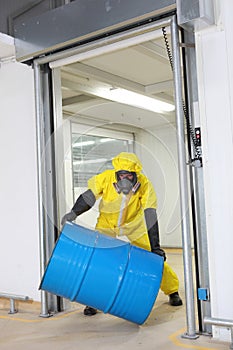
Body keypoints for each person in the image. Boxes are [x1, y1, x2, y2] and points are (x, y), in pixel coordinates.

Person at [61, 152, 182, 316]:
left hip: (134, 223)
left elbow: (150, 213)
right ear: (116, 175)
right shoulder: (105, 178)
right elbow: (88, 197)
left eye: (129, 176)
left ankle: (172, 290)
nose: (125, 179)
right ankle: (92, 300)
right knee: (98, 259)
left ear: (135, 176)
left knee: (153, 257)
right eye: (121, 175)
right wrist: (73, 213)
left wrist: (156, 247)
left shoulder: (144, 184)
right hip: (107, 222)